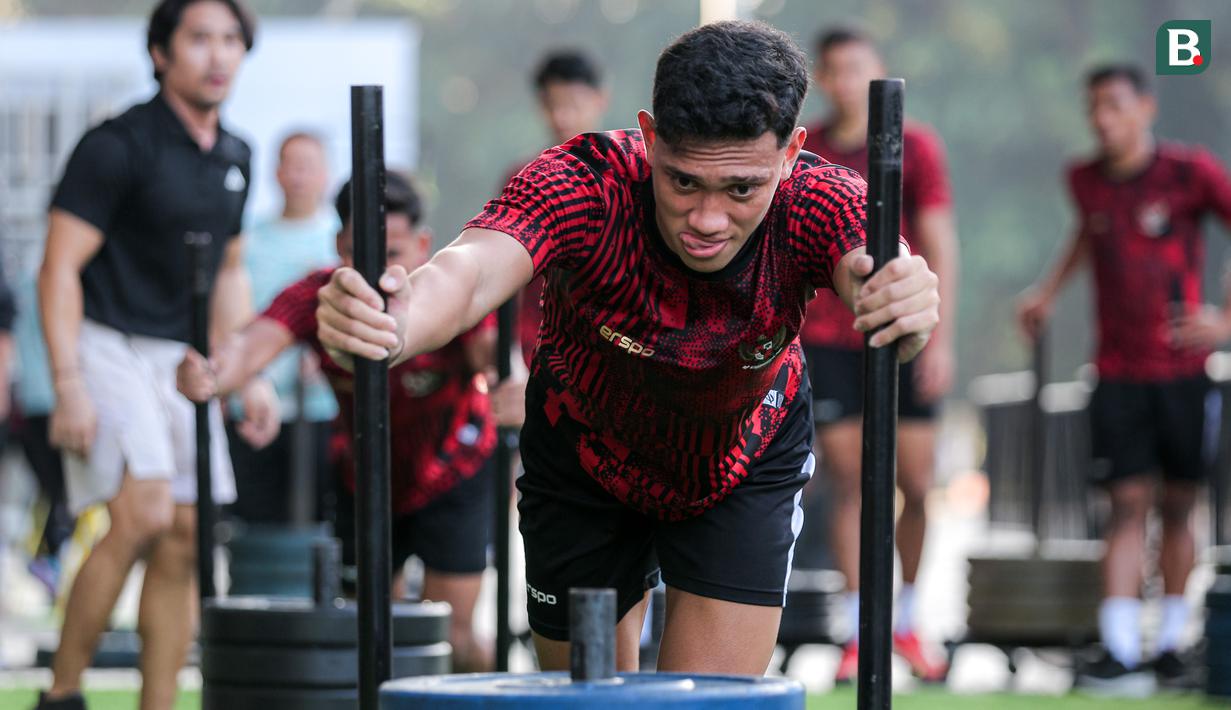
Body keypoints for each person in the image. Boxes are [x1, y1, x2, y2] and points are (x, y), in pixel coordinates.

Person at [316, 20, 940, 675]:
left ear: (789, 155)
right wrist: (394, 318)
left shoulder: (819, 197)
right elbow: (469, 273)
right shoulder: (582, 181)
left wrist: (904, 304)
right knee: (587, 700)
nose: (705, 219)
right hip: (582, 462)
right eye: (682, 182)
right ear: (647, 139)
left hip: (740, 463)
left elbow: (876, 271)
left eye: (739, 189)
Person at [34, 2, 276, 708]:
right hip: (103, 342)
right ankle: (63, 691)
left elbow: (230, 273)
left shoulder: (235, 156)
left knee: (186, 536)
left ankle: (160, 704)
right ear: (161, 54)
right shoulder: (116, 144)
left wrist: (244, 370)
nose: (217, 55)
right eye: (199, 39)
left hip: (180, 356)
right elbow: (58, 269)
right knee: (141, 511)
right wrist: (68, 382)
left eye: (231, 40)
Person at [176, 171, 497, 672]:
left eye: (391, 253)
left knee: (451, 636)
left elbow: (496, 360)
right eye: (358, 253)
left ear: (422, 244)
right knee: (369, 631)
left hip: (454, 471)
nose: (374, 270)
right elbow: (250, 345)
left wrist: (510, 373)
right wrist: (212, 374)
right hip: (365, 477)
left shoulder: (451, 293)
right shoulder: (320, 296)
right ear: (337, 247)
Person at [1018, 64, 1231, 696]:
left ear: (1145, 107)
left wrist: (1223, 321)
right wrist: (1049, 292)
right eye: (1094, 108)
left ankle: (1169, 644)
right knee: (1125, 504)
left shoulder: (1189, 173)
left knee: (1179, 502)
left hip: (1185, 370)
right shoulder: (1084, 180)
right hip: (1115, 371)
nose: (1102, 119)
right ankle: (1118, 649)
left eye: (1114, 105)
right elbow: (1089, 233)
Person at [800, 26, 958, 683]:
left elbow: (940, 240)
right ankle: (860, 629)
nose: (844, 82)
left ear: (878, 71)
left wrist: (938, 336)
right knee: (849, 482)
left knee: (914, 485)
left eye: (856, 68)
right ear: (821, 78)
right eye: (833, 70)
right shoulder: (807, 147)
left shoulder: (915, 144)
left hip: (904, 335)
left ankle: (909, 621)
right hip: (831, 338)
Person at [490, 49, 610, 428]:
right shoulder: (523, 176)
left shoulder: (623, 175)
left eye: (572, 103)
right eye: (551, 105)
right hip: (535, 345)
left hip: (604, 348)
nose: (561, 116)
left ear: (599, 100)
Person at [227, 130, 340, 524]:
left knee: (318, 520)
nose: (299, 177)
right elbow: (231, 316)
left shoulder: (338, 239)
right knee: (256, 521)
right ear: (276, 173)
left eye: (308, 167)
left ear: (325, 174)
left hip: (322, 407)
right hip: (254, 402)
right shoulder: (249, 240)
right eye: (290, 166)